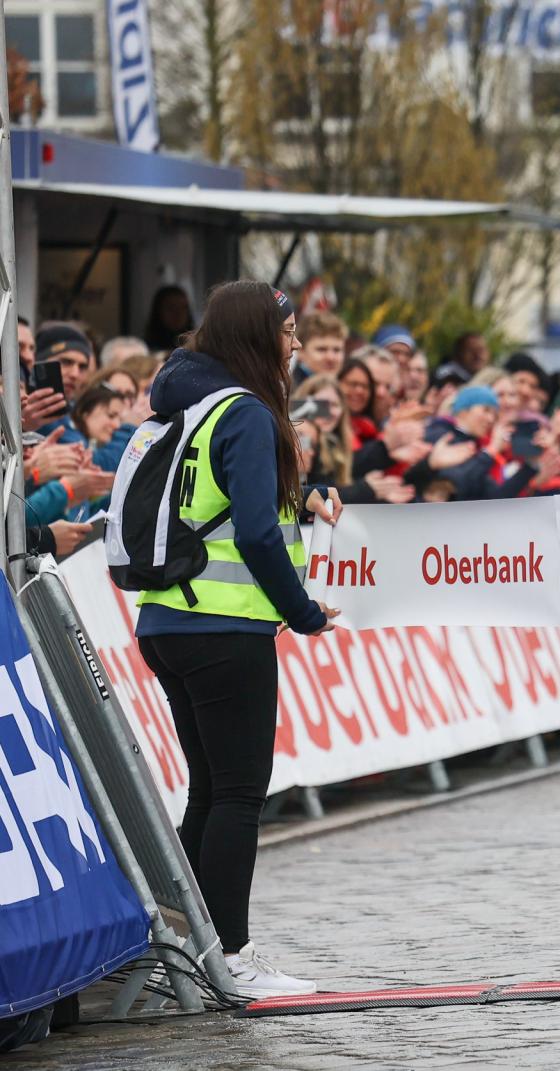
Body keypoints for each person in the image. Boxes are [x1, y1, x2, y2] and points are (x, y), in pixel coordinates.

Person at [133, 280, 341, 998]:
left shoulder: (187, 403)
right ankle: (230, 956)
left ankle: (185, 950)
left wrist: (304, 492)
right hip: (224, 627)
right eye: (287, 330)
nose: (295, 343)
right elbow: (254, 532)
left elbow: (218, 500)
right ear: (258, 336)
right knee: (240, 794)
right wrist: (303, 611)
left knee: (211, 789)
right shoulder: (246, 411)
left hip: (167, 620)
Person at [143, 285, 194, 352]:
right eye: (171, 308)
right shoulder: (144, 349)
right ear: (158, 310)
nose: (178, 313)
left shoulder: (195, 346)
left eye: (183, 308)